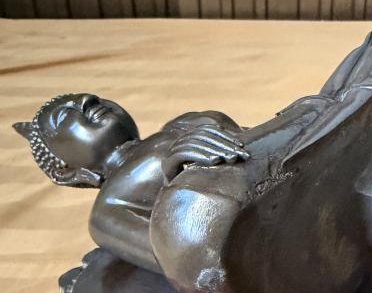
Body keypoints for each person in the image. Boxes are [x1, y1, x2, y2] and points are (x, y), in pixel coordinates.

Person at [13, 94, 248, 273]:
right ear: (67, 172)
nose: (87, 100)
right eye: (65, 116)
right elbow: (189, 264)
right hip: (248, 235)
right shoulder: (109, 210)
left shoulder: (181, 123)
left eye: (95, 98)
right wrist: (178, 180)